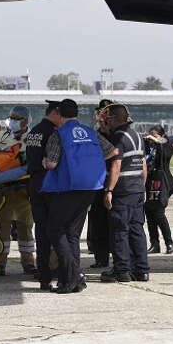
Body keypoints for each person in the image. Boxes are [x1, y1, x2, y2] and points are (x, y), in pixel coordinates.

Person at [42, 99, 117, 294]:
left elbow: (51, 163)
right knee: (72, 234)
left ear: (59, 114)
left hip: (69, 188)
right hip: (91, 187)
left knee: (54, 230)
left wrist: (43, 161)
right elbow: (112, 152)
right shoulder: (91, 133)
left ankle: (73, 275)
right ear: (77, 113)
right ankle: (74, 279)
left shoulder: (58, 134)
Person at [100, 104, 151, 283]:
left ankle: (122, 269)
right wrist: (141, 186)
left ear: (114, 119)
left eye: (108, 119)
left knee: (119, 230)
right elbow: (143, 165)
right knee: (137, 229)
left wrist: (109, 190)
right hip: (137, 188)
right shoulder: (137, 136)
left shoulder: (118, 137)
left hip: (122, 190)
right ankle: (142, 269)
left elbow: (116, 164)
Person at [0, 105, 36, 276]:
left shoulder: (32, 137)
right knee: (2, 228)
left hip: (25, 191)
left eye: (16, 118)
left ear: (25, 121)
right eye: (11, 118)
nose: (12, 121)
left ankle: (28, 262)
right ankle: (0, 262)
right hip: (4, 190)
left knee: (26, 227)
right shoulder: (3, 137)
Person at [24, 102, 60, 290]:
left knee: (41, 230)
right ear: (53, 113)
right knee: (55, 229)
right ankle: (55, 269)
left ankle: (43, 273)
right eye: (59, 115)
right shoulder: (53, 132)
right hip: (50, 183)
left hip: (35, 183)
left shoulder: (33, 132)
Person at [87, 99, 115, 269]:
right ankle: (101, 257)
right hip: (97, 181)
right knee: (97, 221)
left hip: (115, 182)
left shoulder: (118, 135)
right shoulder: (94, 134)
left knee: (116, 222)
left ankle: (119, 257)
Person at [144, 126, 173, 254]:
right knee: (149, 213)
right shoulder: (149, 147)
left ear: (162, 136)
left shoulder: (167, 146)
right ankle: (154, 243)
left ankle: (169, 242)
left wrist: (158, 142)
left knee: (158, 213)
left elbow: (165, 157)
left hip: (162, 183)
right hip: (149, 182)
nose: (152, 139)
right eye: (150, 136)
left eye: (155, 136)